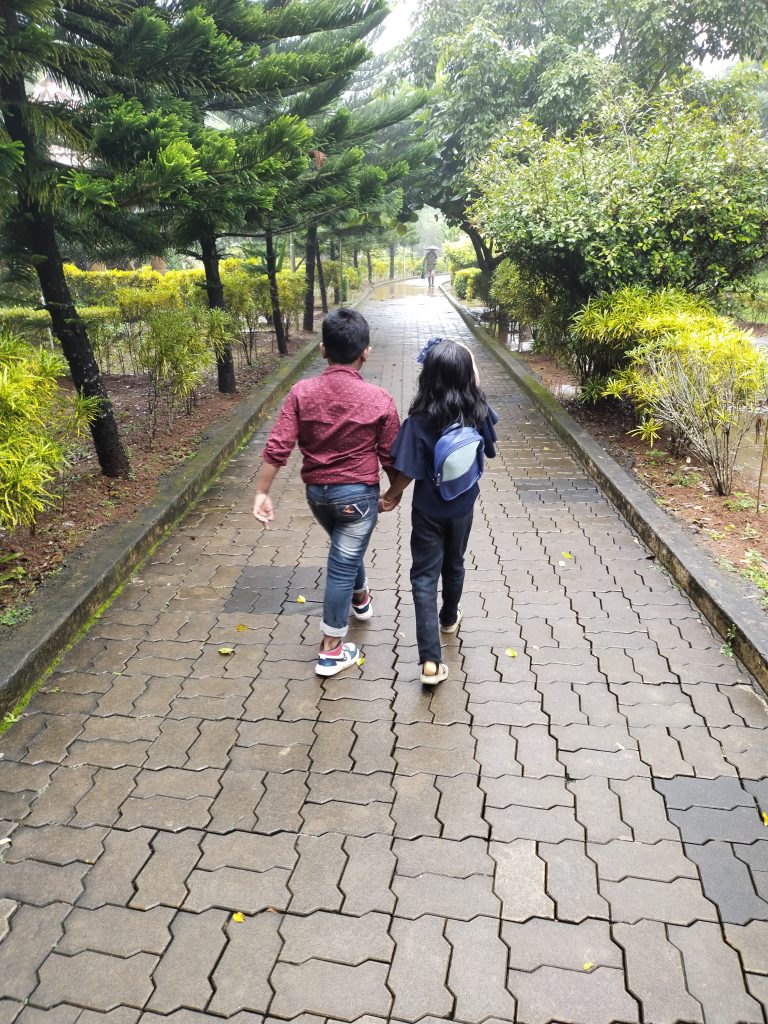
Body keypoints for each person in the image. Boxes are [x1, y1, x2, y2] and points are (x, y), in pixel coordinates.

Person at [253, 308, 400, 677]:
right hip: (358, 498)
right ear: (365, 351)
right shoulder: (379, 398)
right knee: (341, 563)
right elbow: (393, 456)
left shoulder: (302, 392)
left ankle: (361, 598)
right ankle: (332, 649)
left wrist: (262, 492)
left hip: (318, 496)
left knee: (344, 549)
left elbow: (279, 445)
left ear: (322, 350)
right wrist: (395, 492)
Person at [379, 337, 498, 685]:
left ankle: (430, 661)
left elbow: (409, 470)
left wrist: (391, 495)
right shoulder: (477, 411)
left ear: (427, 378)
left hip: (427, 509)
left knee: (423, 577)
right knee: (455, 562)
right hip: (463, 504)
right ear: (466, 376)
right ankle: (449, 617)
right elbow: (488, 450)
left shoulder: (419, 420)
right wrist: (468, 361)